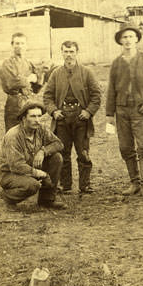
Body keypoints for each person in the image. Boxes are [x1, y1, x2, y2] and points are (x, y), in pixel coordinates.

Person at [105, 23, 143, 196]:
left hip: (140, 111)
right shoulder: (116, 63)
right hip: (121, 111)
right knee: (125, 147)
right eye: (124, 37)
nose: (128, 40)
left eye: (131, 36)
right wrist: (109, 114)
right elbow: (111, 90)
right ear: (120, 41)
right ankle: (134, 182)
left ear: (137, 39)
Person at [42, 40, 102, 194]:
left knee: (83, 152)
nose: (69, 55)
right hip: (61, 119)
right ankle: (65, 184)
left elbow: (96, 95)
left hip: (81, 118)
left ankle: (85, 185)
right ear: (61, 53)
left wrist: (88, 112)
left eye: (72, 52)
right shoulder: (56, 73)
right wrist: (54, 111)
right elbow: (47, 96)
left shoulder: (86, 72)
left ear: (77, 53)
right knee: (63, 152)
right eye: (66, 52)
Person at [0, 101, 65, 210]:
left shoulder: (41, 129)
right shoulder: (13, 135)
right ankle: (8, 197)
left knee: (57, 158)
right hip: (10, 174)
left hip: (30, 168)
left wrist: (43, 151)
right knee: (33, 185)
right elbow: (16, 166)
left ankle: (47, 200)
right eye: (33, 116)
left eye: (39, 116)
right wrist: (41, 174)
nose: (37, 120)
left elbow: (58, 144)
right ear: (24, 118)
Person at [0, 32, 37, 131]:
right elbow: (11, 83)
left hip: (29, 103)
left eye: (22, 43)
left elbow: (35, 88)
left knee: (29, 134)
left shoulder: (29, 64)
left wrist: (41, 76)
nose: (20, 46)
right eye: (17, 43)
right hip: (14, 105)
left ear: (26, 46)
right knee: (13, 135)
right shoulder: (7, 63)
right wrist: (28, 79)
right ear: (12, 45)